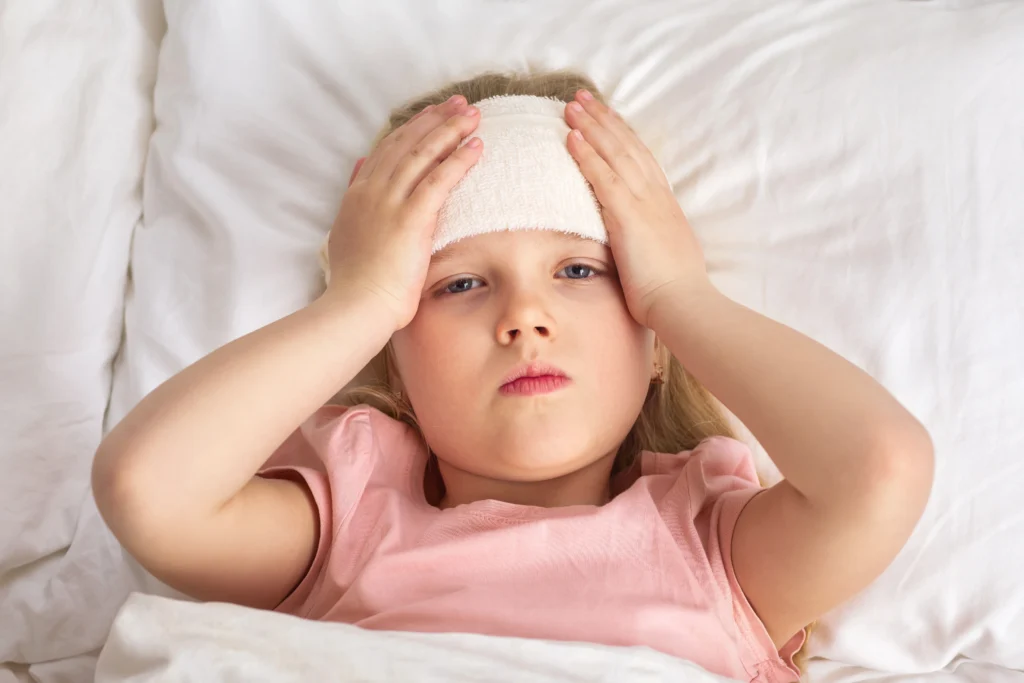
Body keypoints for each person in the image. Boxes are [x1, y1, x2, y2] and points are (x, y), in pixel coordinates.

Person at [92, 70, 934, 682]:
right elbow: (147, 488)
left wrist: (680, 292)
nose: (524, 317)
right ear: (393, 356)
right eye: (458, 284)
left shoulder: (710, 542)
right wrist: (362, 296)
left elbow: (880, 469)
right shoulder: (353, 523)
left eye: (579, 272)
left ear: (658, 344)